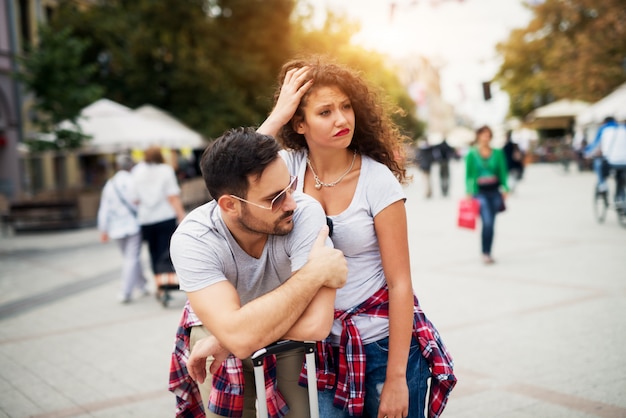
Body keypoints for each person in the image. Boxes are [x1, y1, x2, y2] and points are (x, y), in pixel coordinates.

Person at [256, 56, 456, 418]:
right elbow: (240, 172)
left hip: (383, 347)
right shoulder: (291, 167)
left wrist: (396, 378)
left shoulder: (377, 181)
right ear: (298, 123)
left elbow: (400, 284)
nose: (342, 119)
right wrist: (277, 115)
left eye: (346, 107)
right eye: (325, 112)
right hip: (321, 349)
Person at [169, 127, 348, 417]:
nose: (291, 202)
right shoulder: (194, 239)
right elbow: (238, 338)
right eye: (274, 198)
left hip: (279, 334)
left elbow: (316, 324)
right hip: (218, 327)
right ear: (230, 205)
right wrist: (314, 274)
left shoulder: (304, 212)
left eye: (289, 186)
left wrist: (230, 336)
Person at [132, 145, 186, 293]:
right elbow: (172, 196)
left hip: (146, 219)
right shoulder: (165, 170)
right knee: (166, 251)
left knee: (153, 252)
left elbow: (134, 198)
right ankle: (167, 282)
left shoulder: (137, 171)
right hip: (165, 216)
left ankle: (157, 284)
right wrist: (181, 215)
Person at [97, 153, 148, 303]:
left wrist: (103, 229)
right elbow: (138, 202)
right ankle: (125, 291)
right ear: (130, 166)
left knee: (130, 258)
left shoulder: (110, 184)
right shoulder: (133, 181)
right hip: (132, 225)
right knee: (131, 259)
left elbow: (104, 208)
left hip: (115, 228)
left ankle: (142, 285)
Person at [465, 125, 509, 265]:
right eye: (483, 134)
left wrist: (506, 187)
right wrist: (468, 191)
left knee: (492, 224)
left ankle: (488, 252)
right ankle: (485, 252)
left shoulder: (497, 152)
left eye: (488, 135)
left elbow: (502, 171)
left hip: (495, 192)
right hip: (480, 192)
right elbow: (468, 175)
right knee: (487, 222)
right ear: (478, 136)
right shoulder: (472, 153)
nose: (486, 137)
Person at [584, 117, 626, 202]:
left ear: (605, 122)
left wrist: (586, 154)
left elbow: (594, 145)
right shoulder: (624, 128)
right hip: (624, 162)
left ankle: (602, 184)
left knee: (598, 162)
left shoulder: (604, 129)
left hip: (611, 162)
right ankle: (620, 200)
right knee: (620, 179)